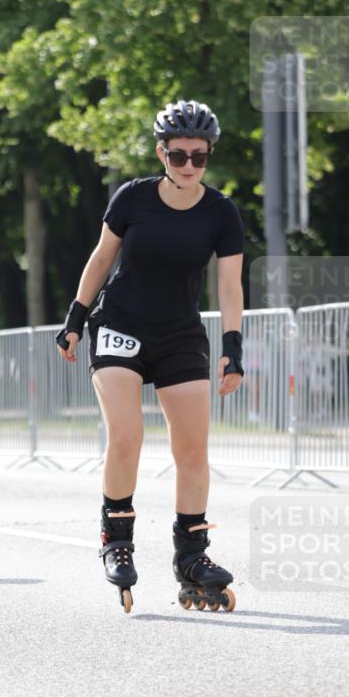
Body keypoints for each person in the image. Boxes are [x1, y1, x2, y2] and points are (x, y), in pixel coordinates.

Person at [56, 100, 244, 613]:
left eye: (199, 157)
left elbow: (230, 287)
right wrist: (75, 319)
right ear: (161, 153)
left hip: (180, 334)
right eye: (178, 155)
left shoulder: (221, 212)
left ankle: (192, 557)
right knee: (127, 435)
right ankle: (116, 538)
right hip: (120, 326)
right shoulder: (133, 198)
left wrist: (232, 349)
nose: (188, 166)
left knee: (193, 451)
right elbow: (101, 259)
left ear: (209, 156)